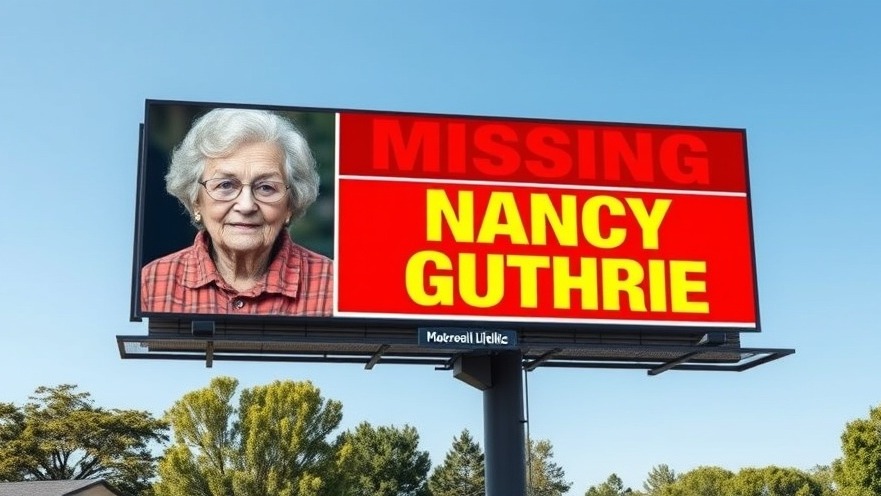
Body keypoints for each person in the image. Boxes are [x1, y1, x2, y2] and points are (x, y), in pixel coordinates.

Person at [140, 108, 333, 316]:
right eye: (225, 185)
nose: (246, 205)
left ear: (290, 204)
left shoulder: (334, 287)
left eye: (266, 187)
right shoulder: (152, 283)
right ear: (196, 200)